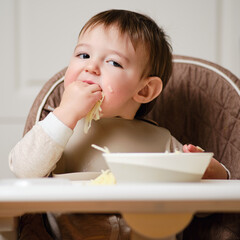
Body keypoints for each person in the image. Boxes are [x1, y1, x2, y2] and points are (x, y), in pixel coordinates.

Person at [9, 9, 230, 240]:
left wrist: (214, 174)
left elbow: (204, 207)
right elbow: (25, 170)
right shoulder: (59, 131)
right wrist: (65, 113)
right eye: (83, 55)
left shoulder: (161, 140)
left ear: (144, 90)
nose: (91, 67)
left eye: (113, 62)